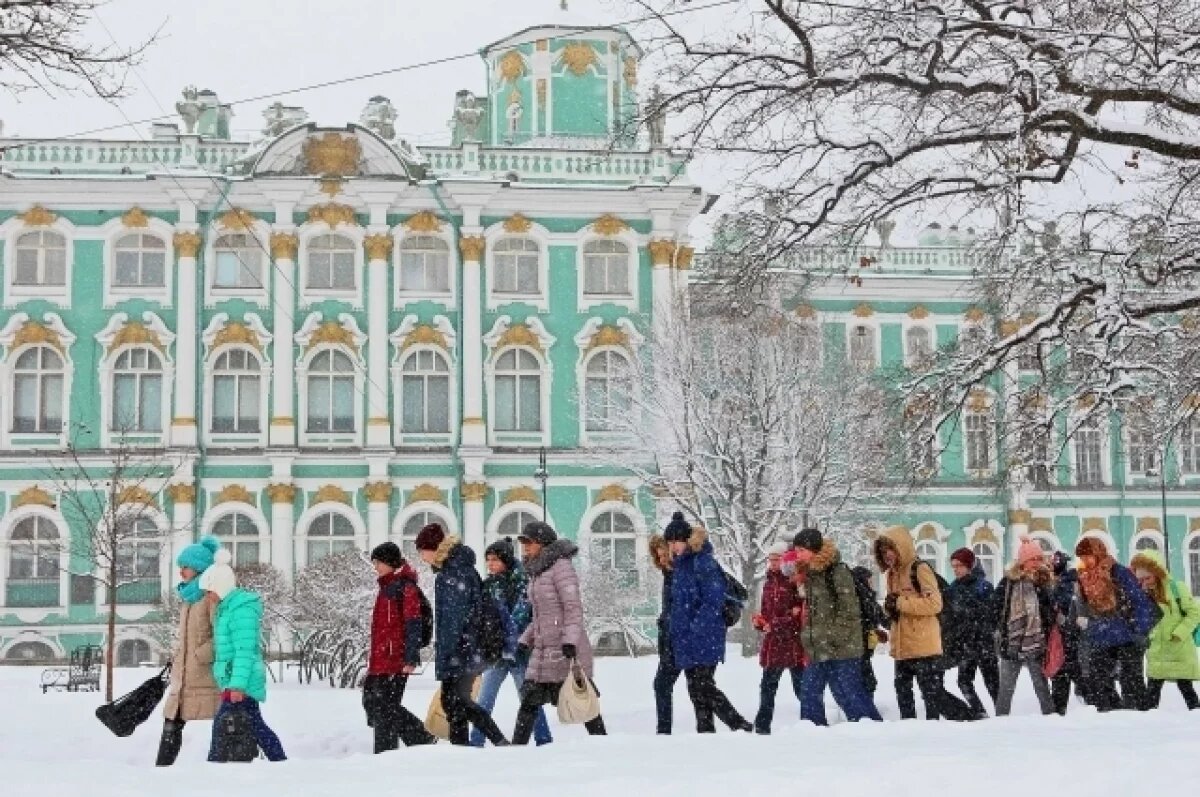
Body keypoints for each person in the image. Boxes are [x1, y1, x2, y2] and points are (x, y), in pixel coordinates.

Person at [413, 523, 509, 746]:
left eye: (421, 550)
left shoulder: (452, 573)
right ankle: (464, 748)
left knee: (457, 702)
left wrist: (452, 653)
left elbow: (455, 620)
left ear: (434, 548)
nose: (420, 555)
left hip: (462, 650)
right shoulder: (457, 569)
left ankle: (495, 740)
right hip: (467, 648)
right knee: (455, 703)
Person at [512, 521, 607, 743]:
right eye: (523, 542)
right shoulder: (537, 571)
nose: (525, 547)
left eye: (529, 542)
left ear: (543, 544)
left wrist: (570, 641)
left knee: (581, 699)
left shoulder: (561, 568)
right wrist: (525, 640)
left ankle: (603, 744)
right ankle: (516, 750)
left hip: (564, 650)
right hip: (544, 649)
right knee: (529, 700)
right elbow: (540, 614)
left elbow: (572, 607)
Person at [665, 512, 753, 733]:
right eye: (670, 542)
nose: (672, 546)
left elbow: (712, 600)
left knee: (703, 686)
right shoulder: (680, 566)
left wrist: (696, 628)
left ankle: (738, 724)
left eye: (675, 541)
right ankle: (705, 731)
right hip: (687, 637)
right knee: (696, 689)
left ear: (686, 540)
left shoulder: (703, 562)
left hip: (705, 635)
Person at [199, 549, 286, 762]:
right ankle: (279, 760)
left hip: (241, 681)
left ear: (219, 587)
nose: (207, 597)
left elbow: (244, 651)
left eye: (209, 591)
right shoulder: (227, 609)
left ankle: (215, 763)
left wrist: (237, 685)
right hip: (235, 679)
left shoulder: (240, 611)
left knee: (226, 725)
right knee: (255, 725)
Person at [875, 525, 970, 721]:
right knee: (902, 690)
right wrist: (889, 607)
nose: (887, 556)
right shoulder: (892, 574)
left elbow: (935, 604)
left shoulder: (920, 569)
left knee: (930, 693)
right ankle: (908, 725)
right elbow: (898, 608)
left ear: (901, 547)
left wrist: (901, 603)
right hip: (902, 644)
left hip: (923, 643)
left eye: (890, 550)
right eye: (883, 552)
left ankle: (953, 720)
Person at [793, 528, 883, 725]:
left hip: (842, 647)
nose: (797, 555)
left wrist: (833, 636)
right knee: (809, 690)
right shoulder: (810, 574)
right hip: (820, 646)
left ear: (812, 549)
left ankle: (871, 727)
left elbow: (849, 610)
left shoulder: (837, 571)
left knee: (848, 692)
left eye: (801, 550)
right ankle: (812, 731)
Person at [470, 537, 552, 747]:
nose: (490, 564)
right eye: (488, 559)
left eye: (495, 559)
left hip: (519, 652)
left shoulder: (522, 581)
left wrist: (508, 637)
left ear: (505, 560)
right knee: (485, 700)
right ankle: (476, 742)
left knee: (528, 699)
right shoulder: (488, 585)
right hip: (496, 653)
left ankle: (544, 739)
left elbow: (522, 615)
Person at [363, 542, 437, 753]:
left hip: (396, 659)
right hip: (380, 659)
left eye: (378, 562)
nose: (375, 566)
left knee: (385, 708)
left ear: (389, 562)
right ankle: (394, 748)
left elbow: (413, 623)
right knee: (374, 703)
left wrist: (411, 657)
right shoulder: (386, 587)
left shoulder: (406, 587)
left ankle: (417, 739)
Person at [156, 536, 222, 766]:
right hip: (185, 676)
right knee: (171, 721)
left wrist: (200, 655)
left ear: (199, 568)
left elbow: (222, 636)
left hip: (205, 675)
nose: (181, 571)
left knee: (226, 721)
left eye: (185, 567)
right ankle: (161, 770)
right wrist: (178, 658)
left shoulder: (211, 597)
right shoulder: (189, 598)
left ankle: (233, 765)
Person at [1073, 537, 1155, 712]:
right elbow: (1087, 605)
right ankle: (1108, 714)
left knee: (1131, 680)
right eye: (1082, 558)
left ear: (1098, 552)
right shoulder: (1086, 578)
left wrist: (1140, 629)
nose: (1085, 561)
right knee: (1097, 678)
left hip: (1127, 633)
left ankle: (1138, 716)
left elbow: (1139, 600)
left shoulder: (1119, 572)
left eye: (1088, 556)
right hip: (1103, 633)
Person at [990, 538, 1057, 716]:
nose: (1036, 563)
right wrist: (1000, 630)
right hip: (1011, 643)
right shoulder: (1008, 582)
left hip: (1036, 643)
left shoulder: (1044, 582)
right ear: (1023, 562)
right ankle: (1000, 722)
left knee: (1041, 687)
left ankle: (1051, 720)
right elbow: (995, 608)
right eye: (1032, 559)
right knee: (1005, 690)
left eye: (1039, 559)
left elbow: (1049, 611)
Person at [1130, 550, 1200, 710]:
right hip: (1158, 650)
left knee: (1186, 688)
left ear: (1157, 573)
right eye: (1141, 579)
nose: (1145, 583)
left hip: (1179, 647)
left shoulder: (1177, 588)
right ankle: (1149, 725)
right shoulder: (1143, 594)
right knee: (1152, 691)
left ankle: (1195, 719)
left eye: (1148, 578)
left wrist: (1179, 633)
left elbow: (1195, 613)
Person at [752, 541, 805, 734]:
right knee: (767, 687)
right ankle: (762, 725)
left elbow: (797, 615)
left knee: (801, 688)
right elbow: (767, 612)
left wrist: (774, 624)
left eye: (777, 559)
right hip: (773, 645)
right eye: (770, 560)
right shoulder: (767, 584)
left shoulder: (793, 582)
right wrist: (760, 622)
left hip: (792, 644)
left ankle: (811, 722)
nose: (773, 563)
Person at [944, 548, 999, 717]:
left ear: (969, 566)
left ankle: (1002, 714)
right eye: (953, 566)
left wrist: (974, 618)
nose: (956, 569)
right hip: (964, 644)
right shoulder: (952, 589)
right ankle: (980, 712)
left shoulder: (983, 586)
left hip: (983, 643)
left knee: (993, 683)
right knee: (963, 682)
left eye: (959, 566)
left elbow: (993, 613)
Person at [649, 533, 681, 734]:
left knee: (663, 684)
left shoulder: (679, 575)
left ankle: (664, 731)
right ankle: (663, 730)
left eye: (664, 555)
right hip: (671, 640)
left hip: (679, 639)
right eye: (658, 557)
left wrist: (668, 621)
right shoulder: (669, 575)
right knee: (663, 685)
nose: (661, 560)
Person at [1049, 551, 1086, 714]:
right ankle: (1060, 706)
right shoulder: (1062, 580)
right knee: (1063, 668)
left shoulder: (1069, 581)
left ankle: (1085, 699)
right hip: (1061, 632)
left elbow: (1065, 603)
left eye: (1056, 562)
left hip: (1069, 631)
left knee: (1066, 667)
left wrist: (1056, 604)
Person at [851, 565, 888, 696]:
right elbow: (874, 616)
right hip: (859, 643)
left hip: (863, 643)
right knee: (865, 676)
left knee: (864, 674)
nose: (871, 582)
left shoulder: (865, 596)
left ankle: (865, 701)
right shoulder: (861, 597)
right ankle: (865, 706)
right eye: (869, 579)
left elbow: (879, 617)